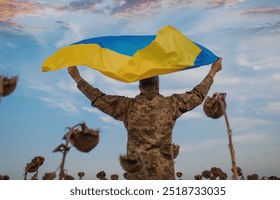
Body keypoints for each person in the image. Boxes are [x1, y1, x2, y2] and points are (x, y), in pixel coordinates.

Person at [67, 57, 222, 179]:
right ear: (157, 83)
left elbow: (98, 98)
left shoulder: (127, 107)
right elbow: (198, 94)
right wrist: (213, 71)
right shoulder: (172, 105)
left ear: (140, 86)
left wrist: (77, 78)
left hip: (137, 174)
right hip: (164, 176)